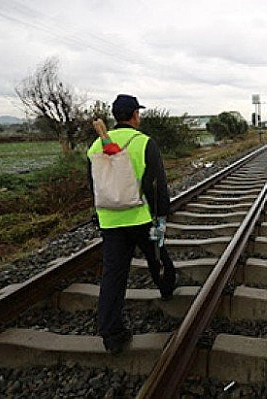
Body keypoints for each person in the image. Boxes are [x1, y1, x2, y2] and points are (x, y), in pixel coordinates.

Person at [87, 94, 177, 354]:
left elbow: (93, 185)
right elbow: (156, 185)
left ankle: (111, 334)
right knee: (157, 256)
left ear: (117, 116)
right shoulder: (143, 143)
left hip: (111, 220)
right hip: (141, 216)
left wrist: (100, 213)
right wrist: (161, 217)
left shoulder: (94, 147)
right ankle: (167, 288)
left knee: (113, 275)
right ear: (135, 115)